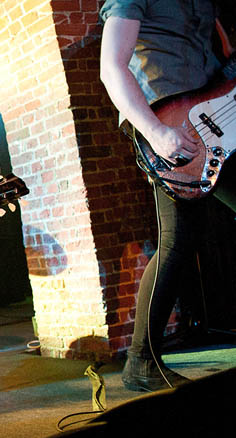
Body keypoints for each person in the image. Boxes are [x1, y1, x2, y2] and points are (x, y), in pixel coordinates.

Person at [99, 0, 234, 392]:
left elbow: (223, 56)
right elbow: (112, 67)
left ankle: (141, 360)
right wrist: (156, 133)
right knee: (176, 242)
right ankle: (141, 360)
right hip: (175, 126)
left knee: (182, 240)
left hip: (220, 118)